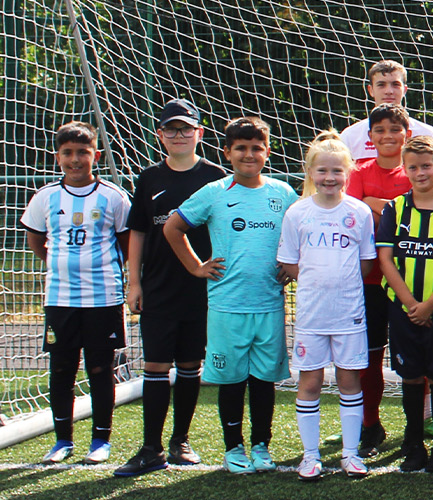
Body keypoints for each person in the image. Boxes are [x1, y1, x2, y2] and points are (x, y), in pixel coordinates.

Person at [163, 117, 298, 474]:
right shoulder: (215, 192)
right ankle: (233, 447)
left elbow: (302, 229)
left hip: (269, 304)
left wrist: (292, 263)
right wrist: (196, 267)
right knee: (232, 379)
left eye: (256, 148)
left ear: (267, 152)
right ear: (227, 152)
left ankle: (261, 446)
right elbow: (173, 227)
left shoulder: (282, 193)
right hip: (226, 305)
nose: (249, 154)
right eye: (241, 148)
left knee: (263, 380)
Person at [114, 99, 223, 476]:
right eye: (171, 129)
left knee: (190, 364)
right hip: (158, 285)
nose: (179, 136)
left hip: (201, 286)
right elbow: (139, 231)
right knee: (156, 364)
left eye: (186, 129)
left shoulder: (216, 177)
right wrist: (134, 281)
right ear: (160, 135)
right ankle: (150, 448)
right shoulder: (149, 178)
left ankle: (181, 442)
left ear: (200, 134)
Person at [25, 121, 131, 466]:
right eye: (68, 153)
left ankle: (100, 440)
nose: (75, 160)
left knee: (101, 370)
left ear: (95, 155)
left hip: (103, 298)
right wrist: (62, 265)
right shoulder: (45, 197)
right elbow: (37, 241)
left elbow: (126, 243)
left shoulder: (113, 197)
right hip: (60, 299)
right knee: (62, 371)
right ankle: (62, 441)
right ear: (58, 157)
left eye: (83, 153)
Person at [277, 132, 376, 480]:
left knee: (350, 381)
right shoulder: (297, 213)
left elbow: (365, 262)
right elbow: (289, 263)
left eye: (337, 171)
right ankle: (310, 456)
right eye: (322, 171)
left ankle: (350, 454)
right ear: (310, 172)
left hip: (349, 312)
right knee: (310, 383)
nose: (329, 178)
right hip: (311, 314)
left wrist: (339, 283)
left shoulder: (359, 212)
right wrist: (318, 280)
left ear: (348, 173)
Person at [375, 136, 433, 473]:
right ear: (405, 170)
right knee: (412, 377)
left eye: (426, 165)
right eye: (412, 167)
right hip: (403, 309)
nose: (420, 172)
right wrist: (411, 303)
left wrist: (430, 304)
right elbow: (385, 259)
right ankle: (414, 445)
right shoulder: (395, 209)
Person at [345, 104, 416, 454]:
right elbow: (353, 210)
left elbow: (416, 211)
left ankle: (420, 424)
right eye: (380, 130)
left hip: (413, 280)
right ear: (370, 137)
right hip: (368, 281)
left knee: (414, 358)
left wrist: (376, 202)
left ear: (408, 134)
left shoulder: (416, 171)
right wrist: (393, 205)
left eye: (394, 129)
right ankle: (370, 425)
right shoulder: (356, 170)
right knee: (370, 357)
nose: (388, 136)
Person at [340, 60, 433, 163]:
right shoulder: (350, 136)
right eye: (381, 85)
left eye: (395, 85)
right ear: (370, 90)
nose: (389, 91)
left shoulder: (428, 133)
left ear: (404, 90)